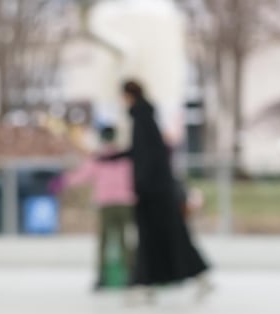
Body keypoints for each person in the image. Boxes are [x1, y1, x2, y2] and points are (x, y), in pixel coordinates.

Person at [111, 80, 212, 302]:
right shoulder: (145, 116)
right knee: (168, 236)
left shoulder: (142, 117)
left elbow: (147, 156)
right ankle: (149, 282)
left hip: (153, 194)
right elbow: (142, 152)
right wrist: (113, 157)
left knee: (159, 237)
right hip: (158, 191)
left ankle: (144, 283)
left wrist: (142, 186)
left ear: (128, 95)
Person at [53, 125, 135, 291]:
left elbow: (82, 175)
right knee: (124, 240)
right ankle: (131, 276)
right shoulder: (126, 158)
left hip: (107, 204)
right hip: (125, 202)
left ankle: (102, 277)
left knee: (104, 241)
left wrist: (62, 182)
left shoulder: (98, 158)